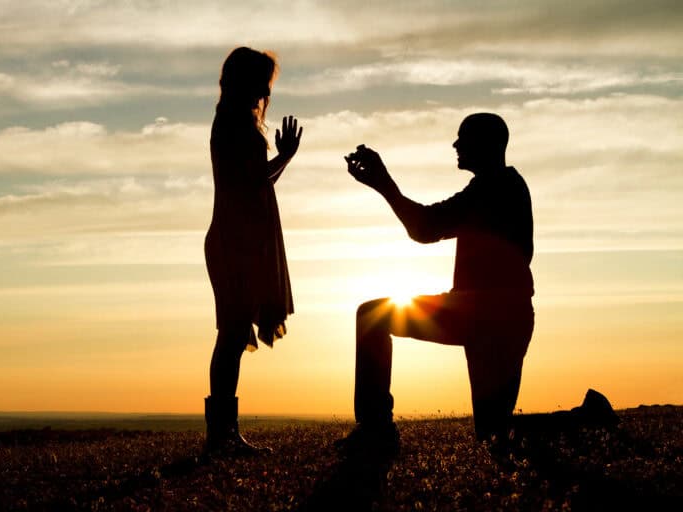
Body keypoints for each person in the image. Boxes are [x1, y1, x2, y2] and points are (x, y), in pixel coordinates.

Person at [337, 113, 535, 457]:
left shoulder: (493, 189)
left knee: (494, 434)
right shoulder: (501, 186)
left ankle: (376, 428)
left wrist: (384, 183)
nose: (456, 145)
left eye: (463, 138)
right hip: (486, 314)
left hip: (490, 318)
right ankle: (375, 427)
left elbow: (424, 228)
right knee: (494, 431)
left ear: (485, 145)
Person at [203, 47, 302, 456]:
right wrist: (283, 157)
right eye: (261, 80)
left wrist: (284, 158)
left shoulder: (237, 123)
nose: (266, 89)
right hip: (234, 241)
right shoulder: (232, 125)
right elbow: (249, 182)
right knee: (230, 335)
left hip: (241, 238)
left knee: (231, 332)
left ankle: (224, 434)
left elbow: (258, 183)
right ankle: (222, 436)